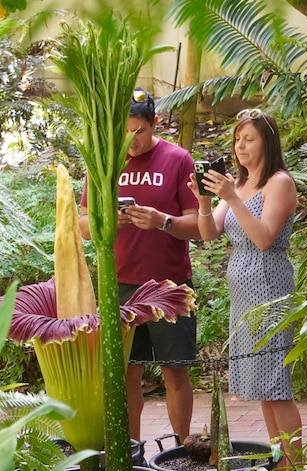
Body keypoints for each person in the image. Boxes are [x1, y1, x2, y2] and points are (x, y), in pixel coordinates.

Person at [79, 88, 199, 443]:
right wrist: (109, 220)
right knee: (125, 375)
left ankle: (179, 453)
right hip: (119, 285)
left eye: (139, 131)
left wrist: (163, 220)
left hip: (170, 286)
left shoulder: (178, 159)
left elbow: (199, 223)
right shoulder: (103, 162)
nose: (131, 141)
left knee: (174, 373)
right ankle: (130, 455)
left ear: (155, 123)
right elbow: (83, 227)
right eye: (125, 132)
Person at [189, 108, 303, 471]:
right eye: (237, 139)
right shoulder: (239, 184)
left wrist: (232, 197)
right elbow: (209, 233)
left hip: (269, 287)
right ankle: (280, 463)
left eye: (248, 138)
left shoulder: (278, 183)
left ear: (267, 142)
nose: (240, 146)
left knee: (276, 384)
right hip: (243, 294)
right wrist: (205, 199)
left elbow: (265, 238)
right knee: (263, 387)